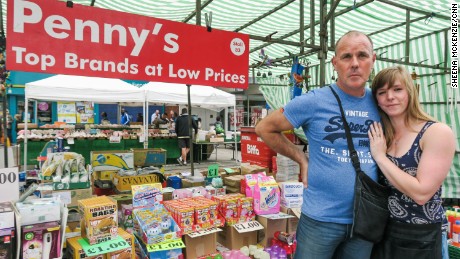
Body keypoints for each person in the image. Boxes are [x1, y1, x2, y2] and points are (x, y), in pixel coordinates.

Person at [255, 30, 379, 259]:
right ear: (334, 63)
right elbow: (264, 128)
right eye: (346, 57)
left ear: (373, 59)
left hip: (365, 220)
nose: (354, 64)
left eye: (362, 55)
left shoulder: (382, 102)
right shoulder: (314, 101)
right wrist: (301, 158)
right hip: (320, 219)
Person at [368, 66, 455, 259]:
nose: (389, 97)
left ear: (410, 92)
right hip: (383, 232)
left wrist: (381, 157)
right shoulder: (382, 135)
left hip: (421, 235)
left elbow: (421, 193)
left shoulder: (436, 132)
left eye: (397, 89)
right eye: (382, 92)